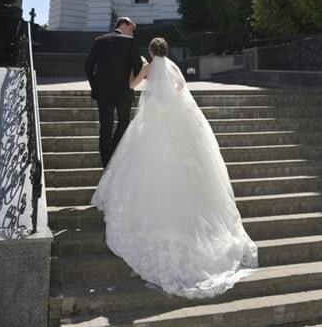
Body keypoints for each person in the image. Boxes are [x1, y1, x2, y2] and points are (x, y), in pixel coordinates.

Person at [90, 37, 258, 299]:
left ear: (150, 51)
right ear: (166, 51)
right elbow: (181, 88)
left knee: (146, 164)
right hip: (173, 121)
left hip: (152, 123)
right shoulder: (172, 67)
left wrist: (144, 79)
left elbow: (131, 84)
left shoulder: (149, 66)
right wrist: (167, 98)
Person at [84, 17, 143, 168]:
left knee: (105, 127)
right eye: (131, 29)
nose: (132, 33)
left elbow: (88, 66)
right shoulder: (129, 42)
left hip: (103, 92)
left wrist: (94, 85)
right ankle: (114, 153)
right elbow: (138, 65)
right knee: (124, 122)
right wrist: (131, 83)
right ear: (123, 25)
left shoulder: (99, 40)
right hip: (124, 91)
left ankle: (106, 164)